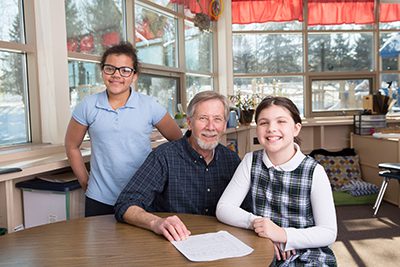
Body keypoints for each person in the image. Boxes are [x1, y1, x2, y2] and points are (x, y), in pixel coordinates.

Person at [65, 42, 182, 217]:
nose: (116, 75)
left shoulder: (149, 105)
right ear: (102, 71)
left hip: (143, 195)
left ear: (134, 76)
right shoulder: (88, 105)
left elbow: (178, 142)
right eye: (110, 68)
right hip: (100, 198)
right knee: (100, 245)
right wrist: (85, 182)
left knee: (139, 245)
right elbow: (71, 145)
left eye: (125, 70)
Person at [216, 96, 337, 266]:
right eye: (264, 122)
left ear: (296, 128)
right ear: (257, 129)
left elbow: (328, 232)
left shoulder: (314, 171)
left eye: (281, 121)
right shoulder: (250, 161)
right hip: (262, 245)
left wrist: (283, 235)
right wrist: (261, 227)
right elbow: (223, 208)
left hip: (307, 253)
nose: (271, 129)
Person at [114, 91, 241, 241]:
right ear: (189, 123)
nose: (210, 126)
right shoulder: (164, 156)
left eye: (217, 119)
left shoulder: (232, 160)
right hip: (172, 243)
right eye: (203, 118)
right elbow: (125, 204)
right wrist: (156, 222)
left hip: (219, 243)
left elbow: (244, 209)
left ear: (225, 125)